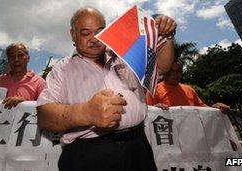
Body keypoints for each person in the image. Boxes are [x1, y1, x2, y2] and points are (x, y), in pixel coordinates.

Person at [37, 7, 176, 171]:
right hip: (88, 155)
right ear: (73, 35)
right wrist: (85, 113)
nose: (94, 38)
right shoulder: (62, 69)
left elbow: (163, 67)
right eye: (85, 33)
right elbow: (44, 116)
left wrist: (165, 36)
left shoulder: (126, 56)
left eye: (100, 31)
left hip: (138, 148)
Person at [146, 61, 230, 112]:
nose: (176, 74)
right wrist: (155, 109)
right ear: (164, 72)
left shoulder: (189, 89)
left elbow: (202, 108)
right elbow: (147, 111)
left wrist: (215, 108)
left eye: (179, 71)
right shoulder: (153, 90)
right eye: (172, 71)